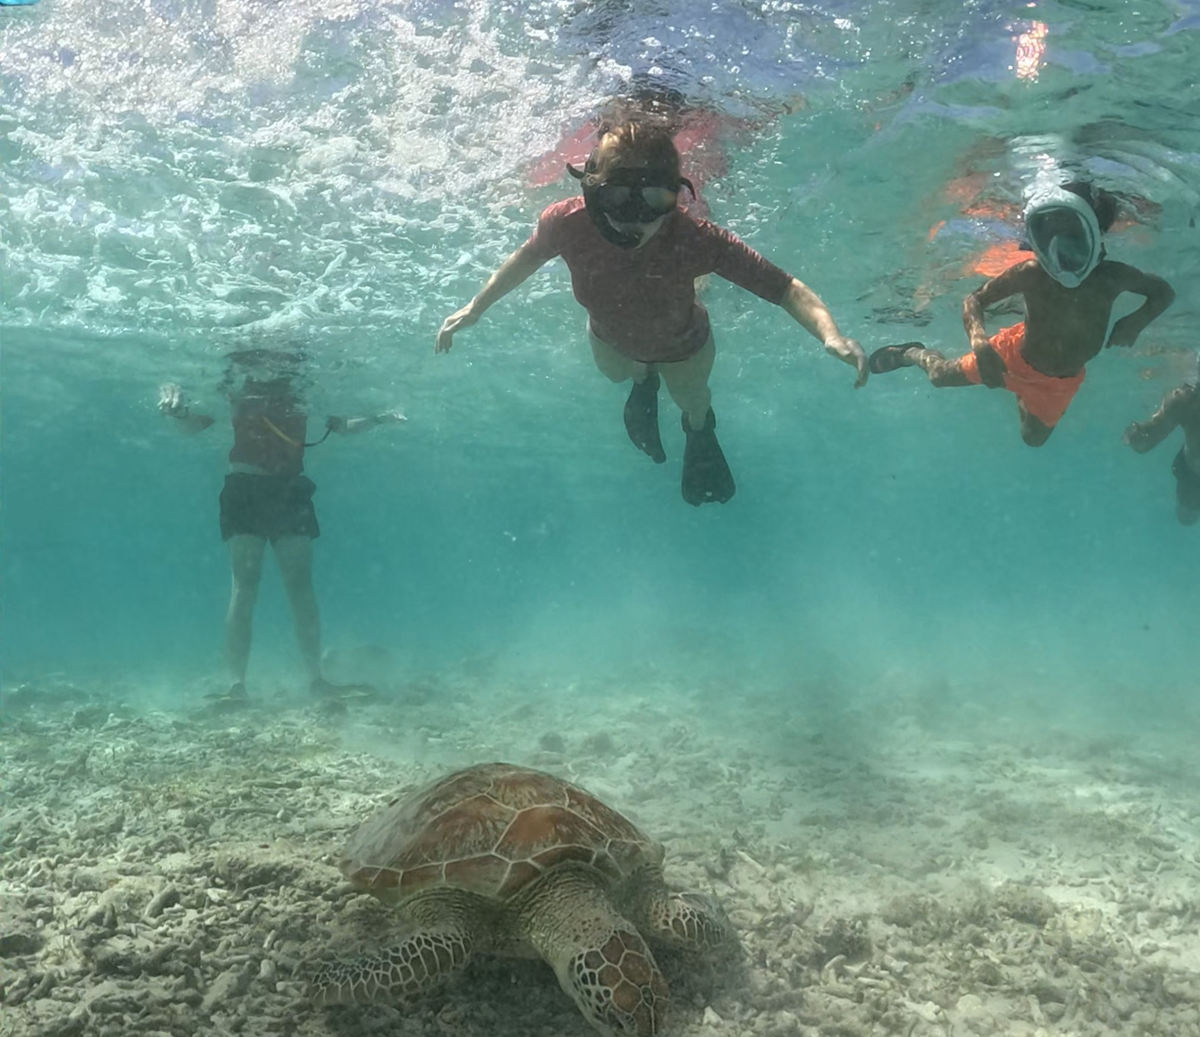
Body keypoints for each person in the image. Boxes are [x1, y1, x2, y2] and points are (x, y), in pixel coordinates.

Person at [438, 118, 866, 505]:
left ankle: (699, 429)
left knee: (691, 401)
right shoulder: (566, 222)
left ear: (675, 196)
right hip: (609, 338)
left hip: (683, 347)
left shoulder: (694, 238)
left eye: (655, 200)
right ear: (592, 188)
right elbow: (529, 256)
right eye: (618, 197)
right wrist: (476, 307)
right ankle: (643, 380)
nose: (635, 219)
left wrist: (830, 334)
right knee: (617, 374)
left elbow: (785, 288)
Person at [160, 348, 405, 706]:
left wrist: (378, 419)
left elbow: (339, 424)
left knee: (297, 587)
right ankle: (236, 684)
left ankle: (315, 679)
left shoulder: (301, 382)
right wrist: (178, 413)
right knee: (246, 586)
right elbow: (197, 422)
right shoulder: (234, 378)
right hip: (246, 487)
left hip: (288, 491)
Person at [868, 181, 1175, 447]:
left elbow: (1164, 293)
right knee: (938, 377)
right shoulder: (1031, 272)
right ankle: (910, 353)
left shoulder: (1112, 276)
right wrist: (980, 344)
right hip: (1011, 356)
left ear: (1093, 235)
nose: (1060, 252)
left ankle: (1020, 389)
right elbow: (974, 300)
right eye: (1050, 238)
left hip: (1059, 382)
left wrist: (1134, 322)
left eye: (1071, 238)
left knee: (1033, 438)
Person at [1125, 363, 1200, 525]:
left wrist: (1141, 438)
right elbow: (1150, 436)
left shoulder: (1185, 401)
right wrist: (1138, 436)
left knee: (1187, 515)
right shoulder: (1185, 400)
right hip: (1191, 474)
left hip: (1191, 471)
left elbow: (1149, 437)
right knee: (1186, 516)